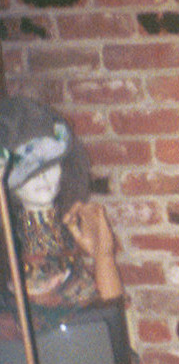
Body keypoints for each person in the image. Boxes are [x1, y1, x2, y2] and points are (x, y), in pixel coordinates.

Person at [0, 96, 121, 308]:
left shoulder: (66, 234)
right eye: (28, 172)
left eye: (50, 166)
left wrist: (103, 255)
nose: (43, 177)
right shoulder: (14, 253)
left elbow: (110, 314)